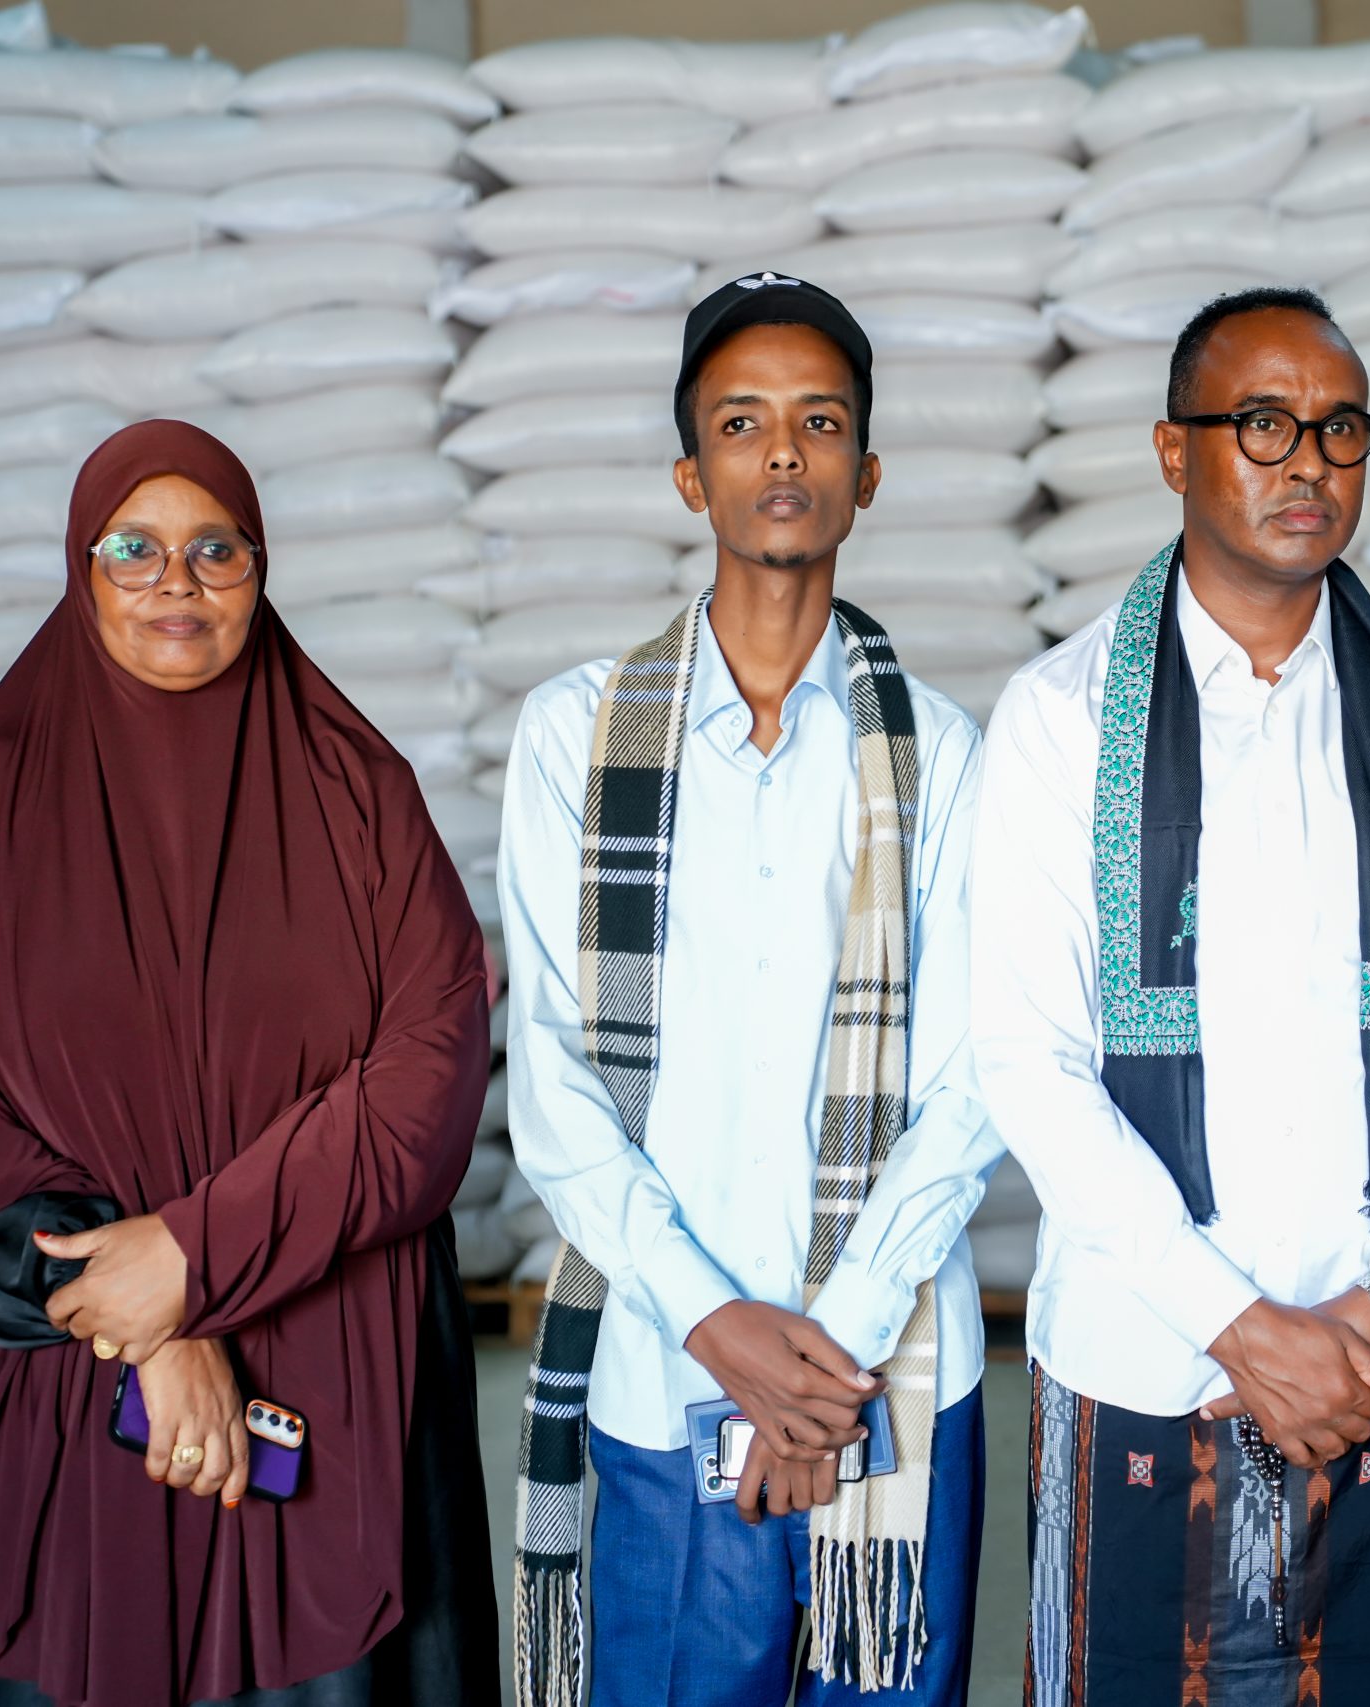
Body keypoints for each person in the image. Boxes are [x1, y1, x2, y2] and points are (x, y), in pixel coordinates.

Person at [0, 421, 498, 1707]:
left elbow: (427, 1076)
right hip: (76, 1383)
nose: (176, 583)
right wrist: (143, 1321)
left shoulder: (360, 792)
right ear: (81, 569)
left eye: (216, 550)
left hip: (332, 1378)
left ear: (260, 569)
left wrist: (194, 1258)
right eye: (133, 550)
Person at [972, 286, 1370, 1704]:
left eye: (1340, 428)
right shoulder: (1063, 718)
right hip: (1144, 1359)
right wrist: (1240, 1326)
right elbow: (1029, 1059)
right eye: (1266, 425)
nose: (1309, 462)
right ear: (1175, 449)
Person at [499, 272, 999, 1707]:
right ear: (691, 474)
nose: (783, 449)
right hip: (662, 1375)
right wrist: (721, 1329)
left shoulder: (944, 753)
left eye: (820, 421)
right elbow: (554, 1076)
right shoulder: (574, 737)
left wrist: (830, 1354)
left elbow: (973, 1082)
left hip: (894, 1381)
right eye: (741, 422)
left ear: (867, 473)